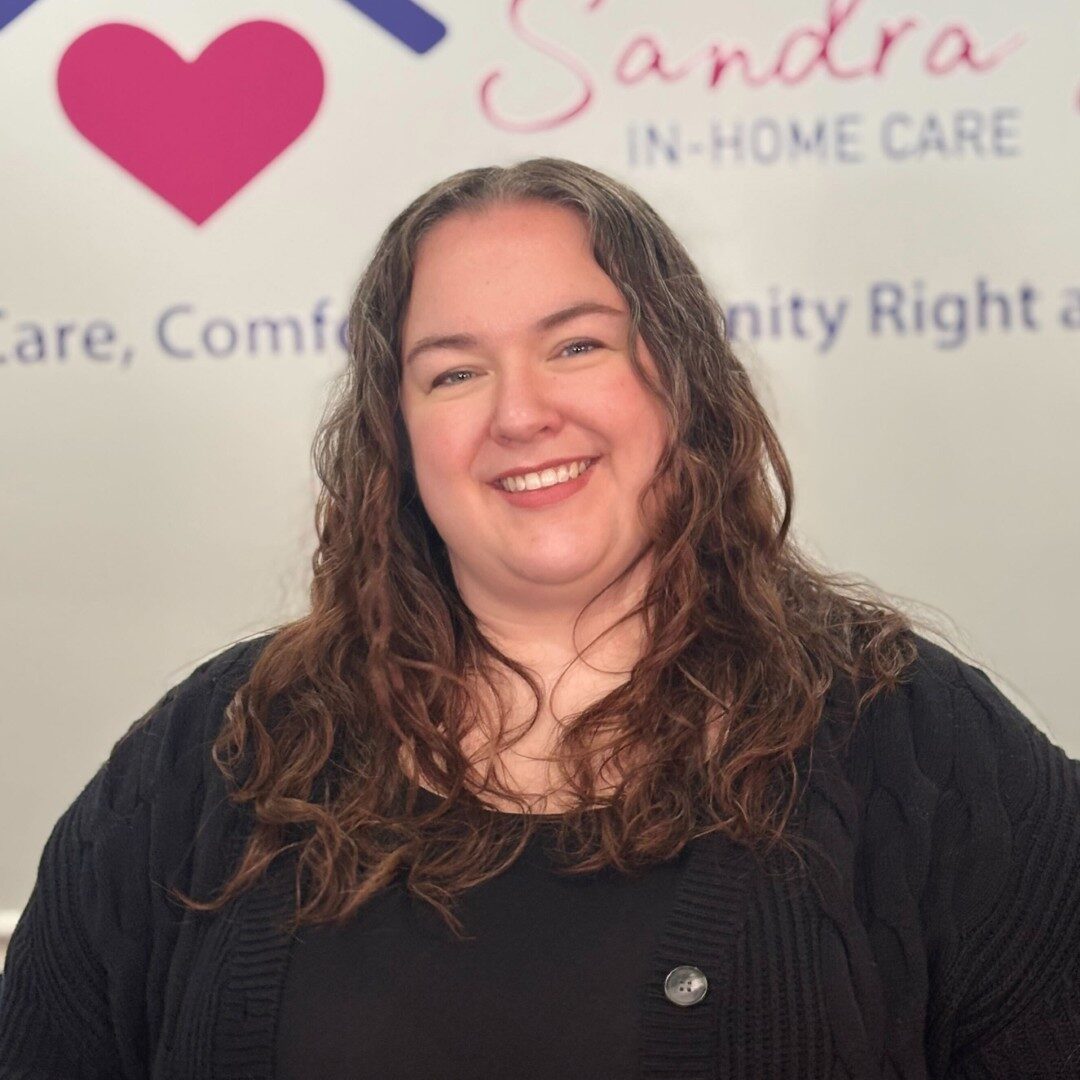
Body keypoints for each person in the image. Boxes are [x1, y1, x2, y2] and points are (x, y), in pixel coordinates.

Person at [1, 158, 1078, 1079]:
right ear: (395, 438)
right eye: (455, 371)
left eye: (578, 346)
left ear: (683, 386)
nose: (520, 413)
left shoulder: (923, 748)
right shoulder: (215, 753)